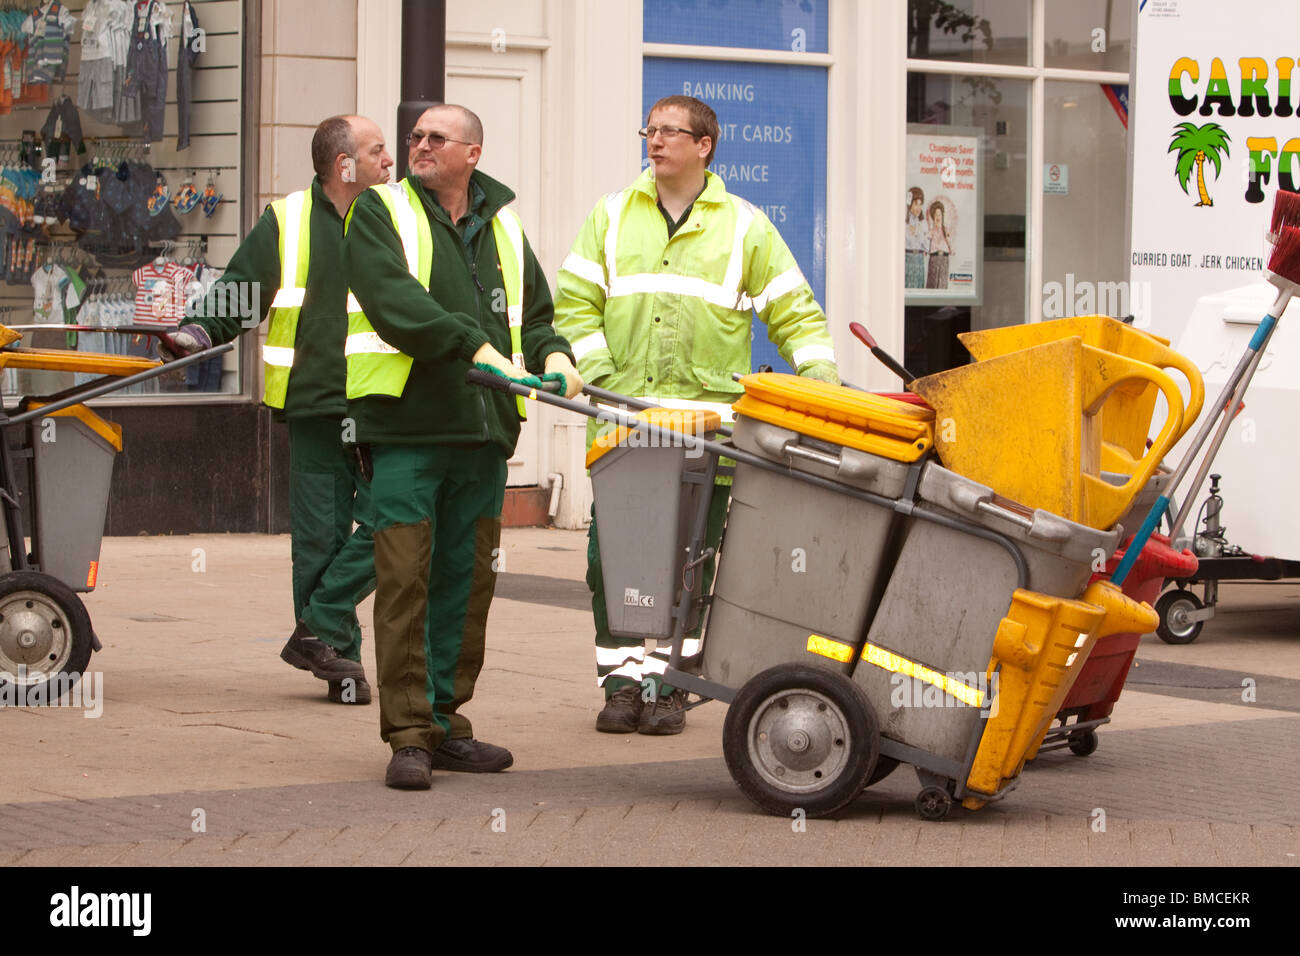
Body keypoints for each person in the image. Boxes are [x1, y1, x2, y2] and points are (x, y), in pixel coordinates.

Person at [554, 94, 840, 737]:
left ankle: (669, 686)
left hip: (708, 431)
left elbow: (795, 312)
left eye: (669, 132)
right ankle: (622, 681)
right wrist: (605, 378)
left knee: (691, 561)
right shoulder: (611, 217)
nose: (654, 142)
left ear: (704, 144)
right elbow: (572, 307)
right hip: (626, 424)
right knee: (614, 560)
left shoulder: (744, 226)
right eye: (648, 130)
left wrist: (822, 385)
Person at [342, 103, 582, 790]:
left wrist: (555, 354)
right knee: (403, 581)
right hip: (406, 431)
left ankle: (447, 721)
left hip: (482, 434)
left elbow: (534, 314)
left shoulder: (502, 224)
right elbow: (394, 302)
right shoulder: (380, 212)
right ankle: (409, 734)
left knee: (466, 583)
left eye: (434, 138)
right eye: (414, 136)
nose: (418, 145)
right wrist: (473, 345)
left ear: (471, 153)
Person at [163, 115, 393, 705]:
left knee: (396, 522)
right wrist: (197, 331)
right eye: (377, 151)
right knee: (319, 537)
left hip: (384, 402)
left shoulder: (399, 218)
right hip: (314, 404)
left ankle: (318, 625)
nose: (389, 160)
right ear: (345, 164)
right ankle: (338, 657)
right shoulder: (287, 220)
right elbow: (244, 288)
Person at [926, 199, 951, 289]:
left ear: (942, 215)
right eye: (936, 214)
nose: (938, 217)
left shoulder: (945, 229)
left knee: (942, 285)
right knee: (932, 284)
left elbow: (949, 241)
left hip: (944, 258)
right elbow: (926, 241)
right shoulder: (931, 231)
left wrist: (951, 249)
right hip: (934, 258)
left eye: (939, 214)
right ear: (933, 216)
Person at [905, 187, 927, 288]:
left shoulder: (923, 223)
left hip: (919, 259)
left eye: (920, 204)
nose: (918, 207)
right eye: (916, 204)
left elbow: (927, 246)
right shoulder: (904, 221)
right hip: (907, 259)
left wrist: (918, 232)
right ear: (910, 204)